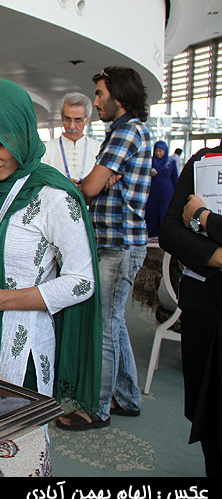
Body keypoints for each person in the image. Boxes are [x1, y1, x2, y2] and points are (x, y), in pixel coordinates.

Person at [0, 79, 101, 410]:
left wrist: (1, 298)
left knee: (14, 433)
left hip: (23, 345)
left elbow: (82, 282)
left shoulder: (54, 196)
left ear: (21, 134)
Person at [58, 66, 152, 431]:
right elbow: (96, 183)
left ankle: (96, 409)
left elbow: (90, 188)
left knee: (105, 328)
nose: (95, 101)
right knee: (115, 324)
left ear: (119, 95)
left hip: (118, 245)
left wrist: (88, 182)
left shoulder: (126, 132)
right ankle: (127, 397)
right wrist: (94, 181)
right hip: (119, 243)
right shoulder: (126, 131)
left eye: (99, 94)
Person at [159, 142, 222, 477]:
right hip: (206, 309)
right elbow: (169, 231)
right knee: (208, 417)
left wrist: (204, 218)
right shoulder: (204, 161)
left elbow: (190, 221)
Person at [42, 92, 100, 182]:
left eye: (78, 120)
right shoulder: (46, 149)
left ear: (87, 120)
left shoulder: (98, 148)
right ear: (62, 118)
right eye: (67, 119)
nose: (72, 126)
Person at [145, 140, 178, 238]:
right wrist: (149, 172)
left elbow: (175, 179)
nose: (158, 153)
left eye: (160, 151)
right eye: (156, 151)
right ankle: (153, 233)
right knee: (152, 212)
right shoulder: (150, 162)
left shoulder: (171, 163)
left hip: (167, 194)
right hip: (153, 194)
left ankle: (165, 233)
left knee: (165, 212)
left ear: (165, 151)